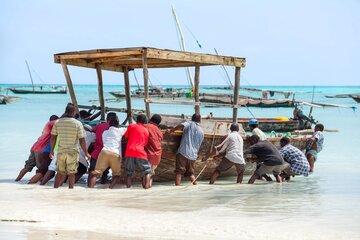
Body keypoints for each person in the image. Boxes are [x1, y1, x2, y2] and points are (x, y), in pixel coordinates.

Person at [50, 104, 90, 189]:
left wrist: (51, 150)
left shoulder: (58, 122)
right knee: (71, 173)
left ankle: (55, 190)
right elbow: (82, 139)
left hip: (61, 151)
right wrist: (86, 153)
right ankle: (70, 191)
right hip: (73, 151)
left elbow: (53, 137)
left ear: (65, 111)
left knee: (60, 172)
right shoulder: (77, 123)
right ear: (73, 112)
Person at [15, 115, 59, 182]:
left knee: (27, 167)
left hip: (34, 147)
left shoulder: (46, 127)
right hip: (41, 150)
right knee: (44, 171)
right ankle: (33, 183)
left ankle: (16, 180)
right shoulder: (52, 124)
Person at [89, 113, 125, 189]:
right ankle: (110, 188)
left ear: (108, 122)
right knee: (116, 175)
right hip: (115, 153)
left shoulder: (105, 132)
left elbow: (93, 132)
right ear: (118, 123)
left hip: (103, 152)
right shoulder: (121, 130)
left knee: (96, 173)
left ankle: (90, 188)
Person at [168, 113, 204, 186]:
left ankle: (177, 188)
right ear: (199, 120)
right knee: (191, 173)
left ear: (192, 118)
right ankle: (195, 186)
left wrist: (171, 130)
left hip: (183, 152)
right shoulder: (201, 131)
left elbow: (181, 125)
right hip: (193, 155)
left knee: (179, 172)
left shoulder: (190, 123)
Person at [123, 114, 152, 189]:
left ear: (137, 120)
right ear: (144, 121)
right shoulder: (146, 131)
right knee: (147, 171)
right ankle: (147, 187)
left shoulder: (131, 126)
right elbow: (145, 144)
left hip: (129, 151)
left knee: (129, 172)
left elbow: (126, 137)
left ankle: (128, 188)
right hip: (140, 152)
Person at [88, 113, 116, 186]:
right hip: (108, 153)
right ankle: (102, 186)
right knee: (105, 172)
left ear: (107, 119)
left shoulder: (99, 126)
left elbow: (91, 130)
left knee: (92, 171)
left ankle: (88, 187)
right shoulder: (115, 129)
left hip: (96, 152)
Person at [144, 114, 163, 187]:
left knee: (147, 172)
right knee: (151, 171)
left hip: (148, 154)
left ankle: (146, 187)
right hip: (158, 155)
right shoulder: (159, 131)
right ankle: (149, 186)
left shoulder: (146, 126)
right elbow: (161, 138)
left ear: (151, 119)